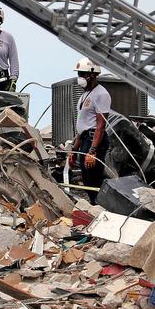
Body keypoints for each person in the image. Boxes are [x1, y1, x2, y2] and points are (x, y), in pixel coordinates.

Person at [68, 58, 111, 204]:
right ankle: (95, 205)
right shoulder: (84, 95)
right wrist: (74, 150)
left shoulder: (101, 94)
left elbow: (100, 125)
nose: (79, 77)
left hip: (94, 140)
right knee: (87, 178)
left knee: (94, 178)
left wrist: (92, 150)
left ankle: (100, 206)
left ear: (92, 75)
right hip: (85, 139)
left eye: (82, 74)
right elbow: (81, 126)